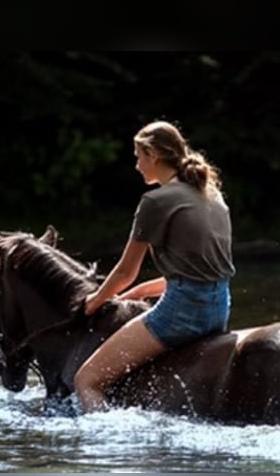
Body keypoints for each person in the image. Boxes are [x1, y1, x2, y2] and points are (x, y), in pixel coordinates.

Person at [74, 120, 236, 413]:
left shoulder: (156, 201)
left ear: (154, 155)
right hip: (219, 309)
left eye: (138, 156)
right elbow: (200, 272)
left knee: (87, 380)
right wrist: (139, 292)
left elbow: (125, 271)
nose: (136, 166)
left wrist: (93, 303)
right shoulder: (212, 195)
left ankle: (103, 448)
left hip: (183, 314)